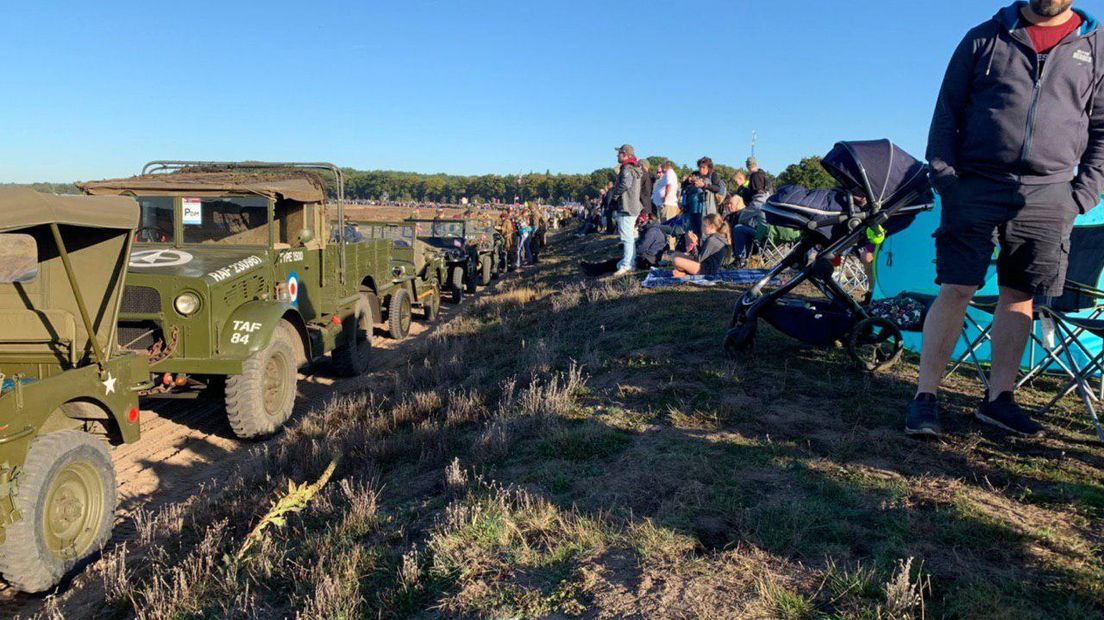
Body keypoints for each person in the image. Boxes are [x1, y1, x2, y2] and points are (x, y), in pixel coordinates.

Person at [908, 0, 1104, 438]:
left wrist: (1082, 195)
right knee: (956, 287)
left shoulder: (1096, 46)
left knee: (1020, 295)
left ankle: (999, 401)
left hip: (1050, 192)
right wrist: (947, 179)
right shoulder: (983, 37)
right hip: (975, 183)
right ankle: (925, 398)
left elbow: (1102, 130)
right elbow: (946, 114)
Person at [611, 144, 644, 276]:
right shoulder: (634, 168)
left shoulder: (627, 169)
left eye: (619, 153)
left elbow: (625, 184)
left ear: (625, 154)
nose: (617, 156)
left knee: (627, 238)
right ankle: (630, 261)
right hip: (632, 206)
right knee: (629, 237)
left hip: (627, 207)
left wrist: (615, 195)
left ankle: (627, 265)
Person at [683, 157, 727, 236]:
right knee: (692, 231)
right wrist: (688, 180)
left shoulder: (713, 175)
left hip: (707, 208)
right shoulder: (695, 174)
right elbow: (683, 185)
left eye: (703, 167)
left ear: (709, 168)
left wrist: (704, 185)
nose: (701, 169)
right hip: (693, 209)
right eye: (700, 167)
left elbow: (717, 188)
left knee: (705, 232)